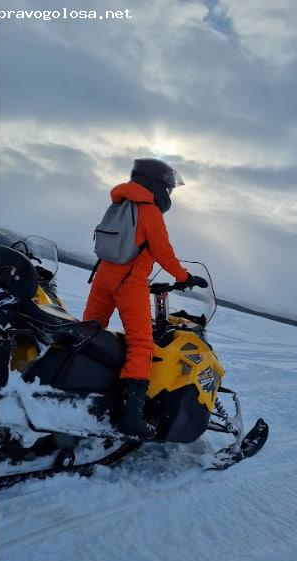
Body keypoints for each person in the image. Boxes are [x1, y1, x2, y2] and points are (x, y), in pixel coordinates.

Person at [83, 158, 206, 439]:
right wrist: (185, 277)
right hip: (130, 283)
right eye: (169, 186)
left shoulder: (119, 203)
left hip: (103, 276)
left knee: (90, 331)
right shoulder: (149, 212)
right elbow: (164, 253)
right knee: (141, 344)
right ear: (158, 185)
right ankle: (130, 416)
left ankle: (82, 385)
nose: (170, 192)